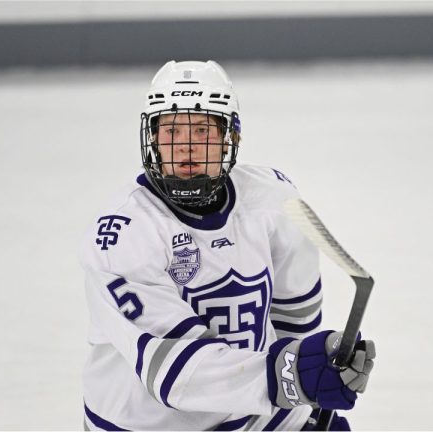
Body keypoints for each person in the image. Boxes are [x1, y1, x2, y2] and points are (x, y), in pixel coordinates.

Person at [80, 60, 376, 431]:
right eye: (171, 132)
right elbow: (175, 371)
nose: (185, 149)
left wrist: (316, 381)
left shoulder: (273, 200)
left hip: (253, 414)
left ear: (229, 138)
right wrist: (292, 378)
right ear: (153, 139)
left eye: (202, 130)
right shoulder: (122, 238)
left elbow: (294, 323)